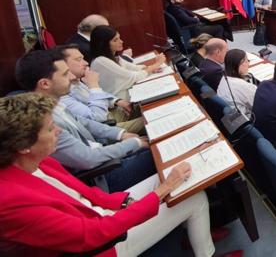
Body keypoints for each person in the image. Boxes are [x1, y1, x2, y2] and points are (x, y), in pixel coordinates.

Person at [0, 93, 236, 257]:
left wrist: (126, 202)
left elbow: (88, 194)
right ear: (24, 146)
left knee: (174, 180)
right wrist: (160, 193)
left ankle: (191, 232)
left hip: (103, 213)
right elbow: (91, 235)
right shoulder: (10, 201)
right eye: (51, 128)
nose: (58, 130)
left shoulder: (40, 162)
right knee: (191, 197)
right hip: (104, 243)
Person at [14, 50, 155, 193]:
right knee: (160, 153)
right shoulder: (46, 123)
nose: (71, 77)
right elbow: (89, 159)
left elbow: (84, 122)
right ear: (44, 83)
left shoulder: (52, 104)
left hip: (104, 156)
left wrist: (121, 134)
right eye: (64, 74)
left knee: (156, 143)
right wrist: (134, 143)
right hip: (102, 177)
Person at [55, 45, 144, 134]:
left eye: (83, 58)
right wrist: (94, 85)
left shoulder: (77, 80)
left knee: (144, 103)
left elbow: (100, 96)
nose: (86, 63)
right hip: (106, 128)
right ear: (62, 65)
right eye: (78, 60)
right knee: (149, 120)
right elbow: (98, 119)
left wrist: (117, 101)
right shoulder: (62, 95)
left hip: (112, 113)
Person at [90, 26, 166, 101]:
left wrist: (151, 68)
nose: (121, 41)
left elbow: (134, 68)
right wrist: (156, 65)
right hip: (120, 104)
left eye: (119, 38)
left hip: (130, 94)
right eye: (115, 40)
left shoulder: (113, 56)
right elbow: (133, 77)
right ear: (104, 44)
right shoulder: (101, 61)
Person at [217, 49, 257, 119]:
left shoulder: (224, 78)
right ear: (236, 65)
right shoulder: (244, 86)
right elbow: (259, 105)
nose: (248, 63)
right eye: (246, 61)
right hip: (248, 120)